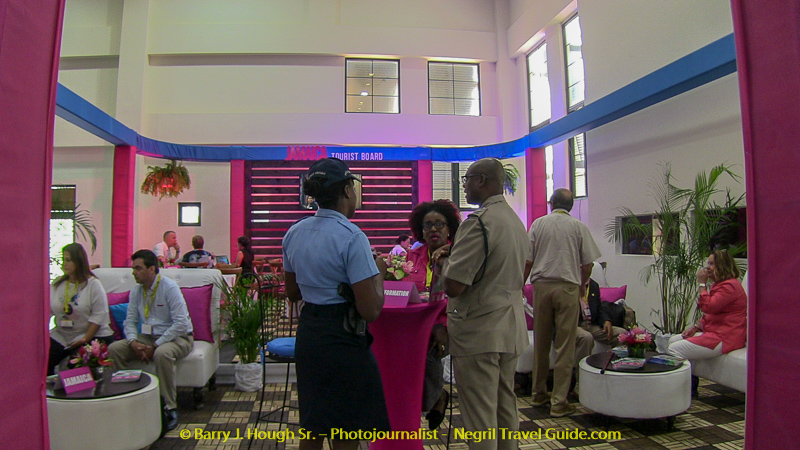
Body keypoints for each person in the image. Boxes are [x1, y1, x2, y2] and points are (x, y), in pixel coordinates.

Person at [283, 158, 390, 450]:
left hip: (310, 334)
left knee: (313, 425)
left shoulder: (294, 232)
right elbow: (370, 310)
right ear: (346, 190)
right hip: (343, 339)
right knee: (346, 429)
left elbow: (292, 292)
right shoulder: (352, 237)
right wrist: (378, 274)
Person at [440, 158, 529, 450]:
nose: (464, 186)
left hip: (479, 331)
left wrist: (444, 262)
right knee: (505, 406)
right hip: (510, 328)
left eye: (466, 179)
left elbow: (454, 285)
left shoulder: (479, 222)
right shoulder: (515, 221)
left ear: (481, 180)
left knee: (479, 415)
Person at [526, 188, 601, 418]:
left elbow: (527, 260)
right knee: (565, 346)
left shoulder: (538, 224)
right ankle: (559, 402)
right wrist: (582, 284)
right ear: (571, 206)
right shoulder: (578, 227)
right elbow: (588, 265)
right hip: (567, 287)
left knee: (541, 343)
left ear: (551, 203)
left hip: (541, 287)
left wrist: (520, 284)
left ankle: (538, 394)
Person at [107, 249, 194, 433]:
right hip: (147, 337)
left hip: (178, 337)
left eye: (138, 268)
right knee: (115, 349)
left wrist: (155, 345)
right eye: (133, 268)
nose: (134, 273)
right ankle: (128, 397)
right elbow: (130, 321)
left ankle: (169, 407)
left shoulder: (169, 288)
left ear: (152, 269)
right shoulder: (136, 291)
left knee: (162, 354)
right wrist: (132, 342)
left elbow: (180, 323)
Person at [406, 199, 462, 429]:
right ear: (421, 230)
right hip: (416, 324)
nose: (433, 229)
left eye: (440, 224)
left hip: (450, 324)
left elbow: (458, 298)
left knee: (429, 349)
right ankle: (427, 399)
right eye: (427, 225)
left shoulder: (457, 255)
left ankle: (435, 399)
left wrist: (442, 326)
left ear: (449, 229)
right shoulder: (412, 256)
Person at [668, 249, 747, 395]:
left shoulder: (730, 286)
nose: (707, 267)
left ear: (722, 266)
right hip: (714, 332)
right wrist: (696, 327)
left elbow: (709, 307)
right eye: (708, 263)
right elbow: (713, 314)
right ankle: (690, 386)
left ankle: (679, 390)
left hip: (725, 337)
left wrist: (702, 285)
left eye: (711, 264)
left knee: (674, 349)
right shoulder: (720, 284)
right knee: (673, 340)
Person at [48, 243, 114, 375]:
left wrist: (84, 339)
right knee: (43, 357)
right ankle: (47, 388)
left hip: (91, 335)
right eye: (63, 260)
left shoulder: (93, 285)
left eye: (68, 260)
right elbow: (47, 311)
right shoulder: (57, 284)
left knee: (75, 363)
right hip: (62, 335)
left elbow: (98, 316)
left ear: (78, 261)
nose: (64, 264)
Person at [574, 277, 626, 366]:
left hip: (592, 324)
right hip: (575, 324)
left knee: (622, 334)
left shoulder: (593, 285)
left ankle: (611, 368)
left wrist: (606, 320)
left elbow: (598, 308)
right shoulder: (570, 283)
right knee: (586, 337)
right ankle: (581, 374)